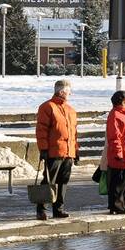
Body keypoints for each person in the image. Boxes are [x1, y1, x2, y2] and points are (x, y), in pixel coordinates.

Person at [35, 79, 78, 220]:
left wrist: (75, 150)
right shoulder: (47, 107)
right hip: (54, 151)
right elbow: (41, 130)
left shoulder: (71, 110)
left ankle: (58, 208)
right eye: (68, 91)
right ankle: (41, 209)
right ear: (61, 92)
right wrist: (43, 149)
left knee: (63, 182)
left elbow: (74, 133)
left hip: (68, 152)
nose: (70, 94)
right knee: (49, 181)